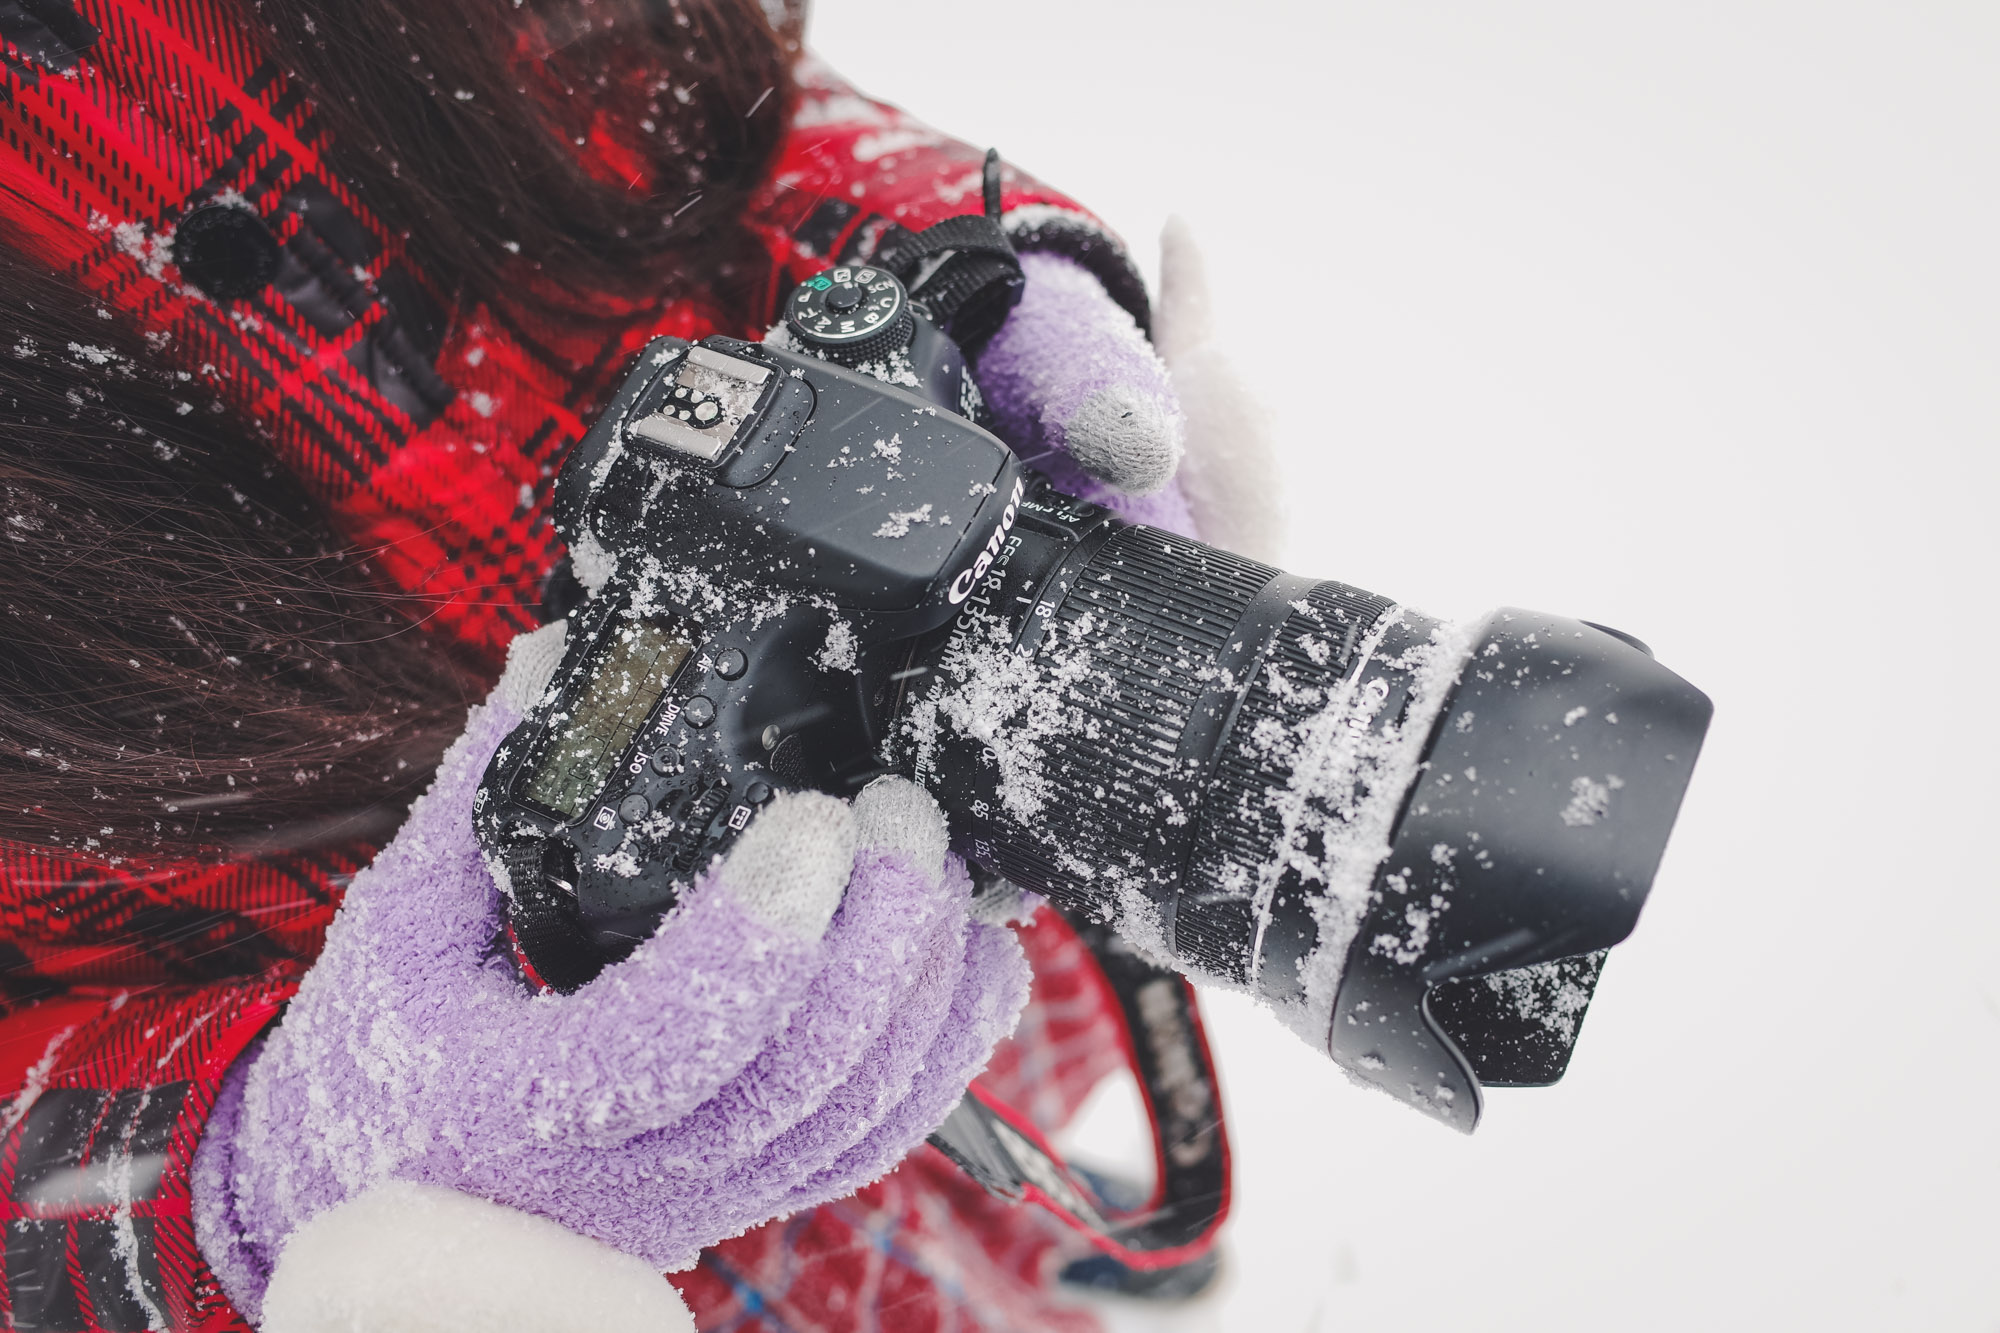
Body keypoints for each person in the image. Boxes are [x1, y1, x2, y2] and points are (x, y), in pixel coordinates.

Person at [0, 1, 1269, 1327]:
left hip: (880, 706)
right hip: (490, 1193)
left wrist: (956, 279)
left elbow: (709, 97)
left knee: (945, 1029)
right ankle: (970, 1219)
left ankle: (1006, 1188)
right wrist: (240, 1191)